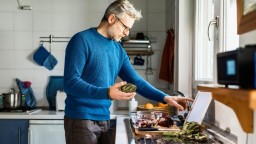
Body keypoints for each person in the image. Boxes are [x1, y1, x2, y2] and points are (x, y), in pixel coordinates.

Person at [63, 0, 193, 144]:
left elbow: (136, 81)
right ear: (111, 19)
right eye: (125, 27)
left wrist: (166, 98)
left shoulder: (118, 50)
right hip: (80, 119)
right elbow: (70, 83)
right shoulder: (81, 40)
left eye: (129, 29)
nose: (127, 33)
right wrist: (106, 92)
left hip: (104, 118)